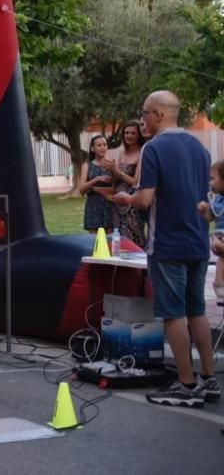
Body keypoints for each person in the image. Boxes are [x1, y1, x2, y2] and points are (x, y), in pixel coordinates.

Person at [112, 90, 217, 407]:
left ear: (158, 114)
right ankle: (208, 379)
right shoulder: (199, 149)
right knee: (196, 310)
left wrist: (127, 198)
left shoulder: (154, 148)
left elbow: (145, 200)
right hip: (198, 241)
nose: (141, 119)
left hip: (167, 243)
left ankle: (185, 383)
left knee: (173, 315)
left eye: (144, 112)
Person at [101, 121, 147, 248]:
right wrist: (111, 171)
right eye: (126, 133)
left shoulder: (143, 153)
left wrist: (117, 172)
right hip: (118, 200)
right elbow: (117, 180)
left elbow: (136, 181)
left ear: (139, 135)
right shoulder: (121, 153)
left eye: (133, 133)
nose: (129, 136)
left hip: (132, 200)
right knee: (119, 235)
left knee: (134, 232)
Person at [197, 160, 224, 306]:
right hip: (220, 236)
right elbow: (210, 218)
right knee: (221, 258)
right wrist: (203, 211)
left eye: (213, 179)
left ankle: (219, 284)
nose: (210, 183)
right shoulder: (217, 200)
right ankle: (219, 286)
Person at [79, 135, 114, 233]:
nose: (103, 147)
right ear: (92, 148)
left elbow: (116, 188)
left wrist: (97, 188)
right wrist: (96, 179)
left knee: (110, 242)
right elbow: (81, 190)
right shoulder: (87, 166)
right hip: (93, 207)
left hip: (109, 205)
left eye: (105, 145)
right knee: (95, 243)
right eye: (99, 145)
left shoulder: (112, 165)